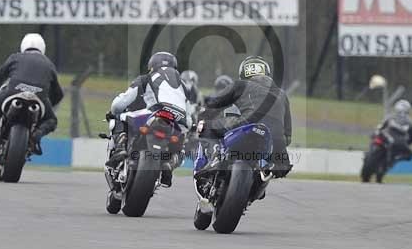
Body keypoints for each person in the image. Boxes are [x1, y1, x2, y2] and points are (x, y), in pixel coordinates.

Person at [105, 51, 189, 187]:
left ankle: (120, 148)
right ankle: (169, 164)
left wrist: (113, 112)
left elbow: (120, 103)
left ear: (152, 66)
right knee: (181, 147)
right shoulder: (184, 86)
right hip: (177, 121)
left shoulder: (145, 79)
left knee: (120, 117)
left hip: (154, 113)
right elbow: (190, 117)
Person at [201, 56, 293, 178]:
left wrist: (202, 117)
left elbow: (214, 103)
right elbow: (288, 135)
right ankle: (263, 175)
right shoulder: (282, 94)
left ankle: (215, 162)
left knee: (210, 130)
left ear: (243, 73)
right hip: (276, 140)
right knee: (281, 167)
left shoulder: (240, 85)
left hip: (245, 129)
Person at [0, 33, 63, 156]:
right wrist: (48, 104)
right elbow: (58, 93)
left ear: (23, 46)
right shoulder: (49, 64)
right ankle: (36, 137)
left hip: (13, 91)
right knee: (52, 120)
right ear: (43, 48)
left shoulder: (16, 57)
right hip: (38, 97)